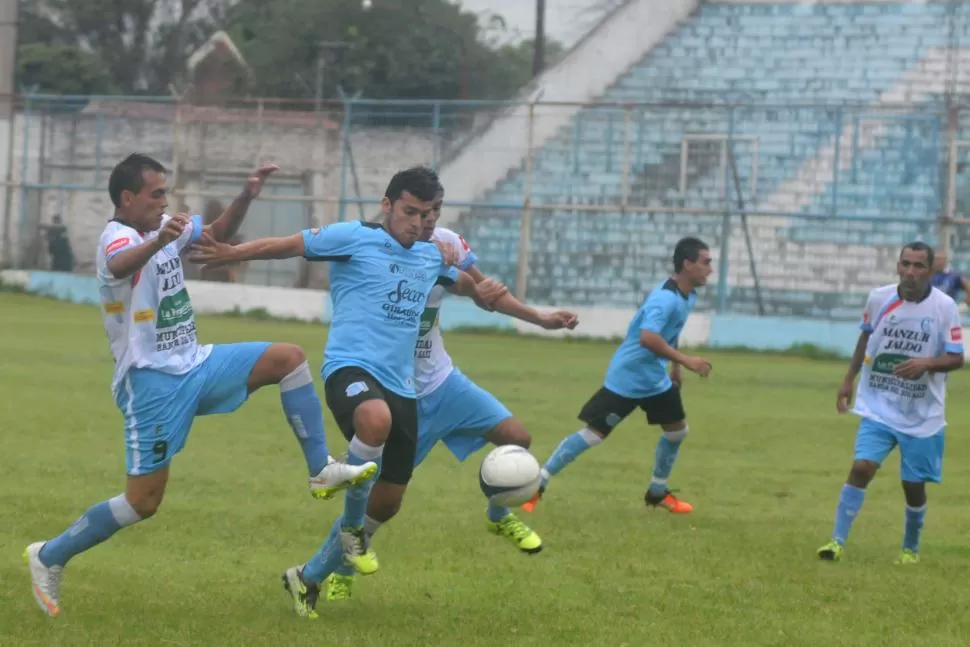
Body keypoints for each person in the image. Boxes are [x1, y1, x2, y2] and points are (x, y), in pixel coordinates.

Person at [23, 153, 377, 618]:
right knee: (142, 502)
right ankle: (48, 555)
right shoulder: (117, 238)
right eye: (156, 194)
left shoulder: (164, 226)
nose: (164, 202)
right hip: (151, 384)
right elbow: (122, 264)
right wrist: (160, 240)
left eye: (165, 194)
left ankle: (320, 469)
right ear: (127, 198)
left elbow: (215, 238)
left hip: (197, 362)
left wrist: (245, 197)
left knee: (288, 359)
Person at [186, 165, 507, 619]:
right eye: (410, 211)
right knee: (374, 420)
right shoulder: (354, 237)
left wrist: (484, 292)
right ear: (388, 205)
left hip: (403, 386)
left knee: (390, 501)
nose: (418, 222)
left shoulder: (432, 256)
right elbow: (290, 244)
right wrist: (232, 251)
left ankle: (307, 577)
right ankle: (351, 527)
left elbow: (467, 285)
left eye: (428, 213)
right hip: (349, 369)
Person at [322, 183, 579, 602]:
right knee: (376, 501)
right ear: (397, 207)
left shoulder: (447, 245)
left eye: (436, 210)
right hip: (400, 392)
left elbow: (485, 294)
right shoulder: (371, 246)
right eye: (420, 210)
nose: (428, 219)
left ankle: (498, 513)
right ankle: (339, 571)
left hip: (444, 382)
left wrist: (541, 317)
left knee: (518, 438)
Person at [523, 237, 714, 514]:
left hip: (654, 378)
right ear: (687, 264)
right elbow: (648, 338)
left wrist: (674, 368)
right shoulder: (665, 299)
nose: (710, 268)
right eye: (706, 262)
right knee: (594, 435)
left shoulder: (687, 295)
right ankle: (538, 483)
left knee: (677, 431)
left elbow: (669, 332)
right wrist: (686, 361)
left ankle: (657, 492)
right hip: (628, 377)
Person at [817, 241, 964, 564]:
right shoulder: (879, 297)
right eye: (905, 264)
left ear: (930, 270)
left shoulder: (944, 307)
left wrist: (926, 364)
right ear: (898, 266)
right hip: (879, 404)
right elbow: (867, 336)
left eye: (918, 266)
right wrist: (848, 379)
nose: (911, 272)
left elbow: (956, 358)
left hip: (923, 414)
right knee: (861, 467)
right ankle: (836, 541)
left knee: (913, 486)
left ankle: (910, 548)